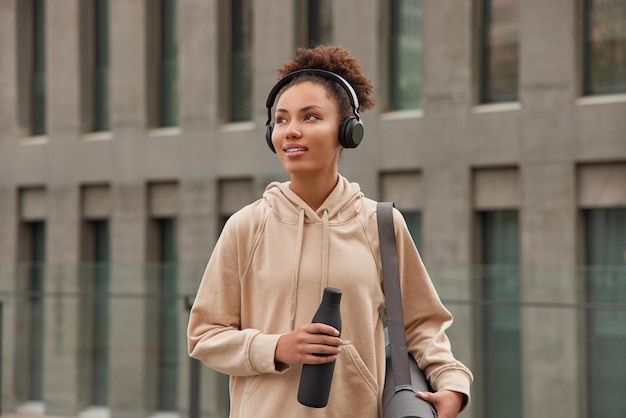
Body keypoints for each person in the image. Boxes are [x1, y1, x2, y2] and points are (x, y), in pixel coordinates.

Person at [187, 45, 472, 418]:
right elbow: (205, 335)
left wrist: (452, 382)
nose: (292, 131)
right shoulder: (246, 226)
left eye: (310, 117)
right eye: (283, 119)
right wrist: (275, 348)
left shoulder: (380, 223)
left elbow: (422, 323)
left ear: (347, 131)